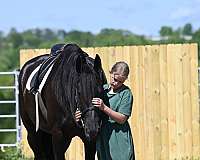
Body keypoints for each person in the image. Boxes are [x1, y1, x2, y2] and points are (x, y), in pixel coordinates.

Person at [75, 61, 135, 160]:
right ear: (110, 73)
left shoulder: (126, 93)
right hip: (103, 137)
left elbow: (122, 119)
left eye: (121, 81)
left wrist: (104, 108)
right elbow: (91, 110)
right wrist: (79, 115)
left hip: (118, 137)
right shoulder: (102, 90)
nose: (116, 83)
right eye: (115, 79)